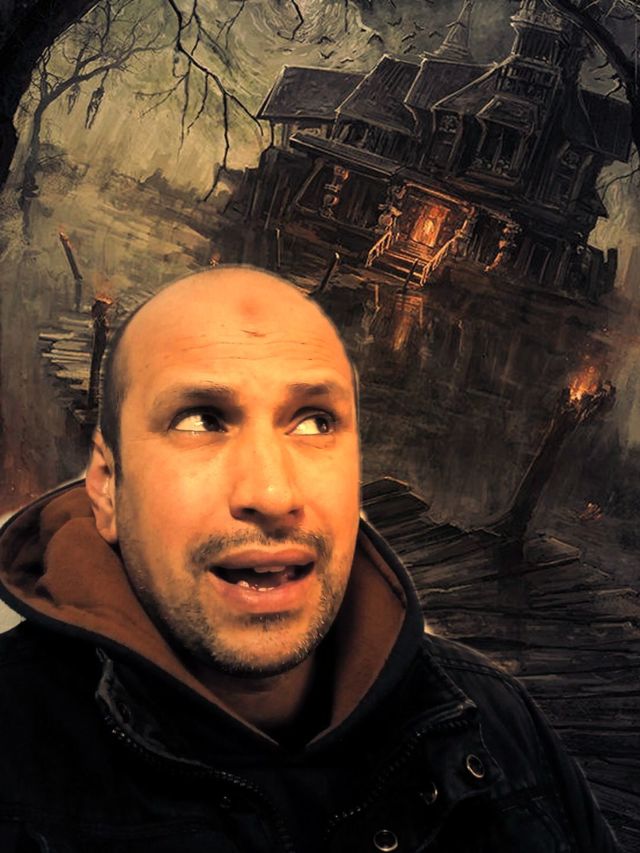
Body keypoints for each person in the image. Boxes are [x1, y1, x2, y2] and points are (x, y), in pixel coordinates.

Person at [0, 266, 619, 853]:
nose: (272, 494)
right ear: (107, 488)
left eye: (315, 423)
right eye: (200, 420)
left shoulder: (497, 724)